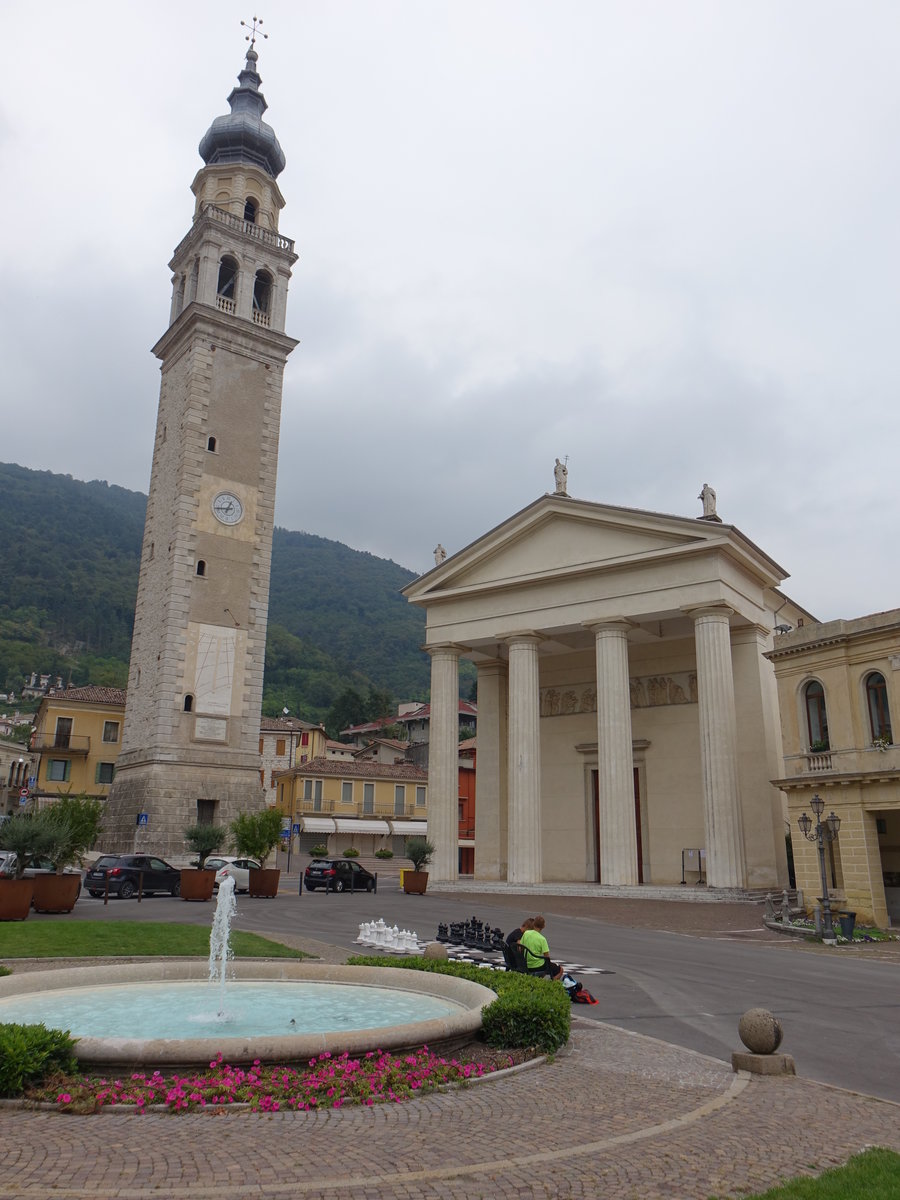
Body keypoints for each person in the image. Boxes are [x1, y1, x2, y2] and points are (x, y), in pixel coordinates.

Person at [519, 915, 564, 980]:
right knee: (560, 970)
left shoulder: (526, 933)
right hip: (537, 966)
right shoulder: (542, 939)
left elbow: (520, 948)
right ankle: (551, 985)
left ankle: (538, 980)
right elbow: (547, 957)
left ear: (533, 924)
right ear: (543, 926)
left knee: (546, 966)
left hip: (526, 964)